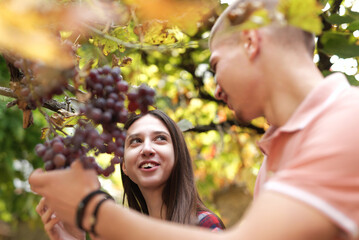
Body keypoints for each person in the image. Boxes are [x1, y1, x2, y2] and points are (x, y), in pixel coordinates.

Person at [29, 0, 359, 239]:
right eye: (135, 141)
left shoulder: (345, 120)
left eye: (216, 65)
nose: (215, 88)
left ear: (250, 42)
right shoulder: (278, 156)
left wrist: (91, 208)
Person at [35, 110, 224, 239]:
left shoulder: (205, 226)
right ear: (124, 165)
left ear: (178, 156)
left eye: (160, 138)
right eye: (135, 141)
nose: (147, 149)